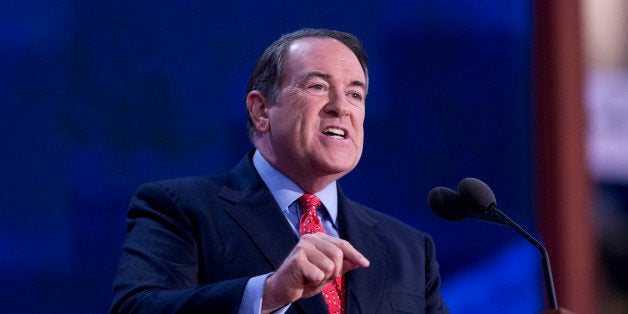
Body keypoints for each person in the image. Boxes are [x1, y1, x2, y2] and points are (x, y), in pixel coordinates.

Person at [110, 28, 449, 314]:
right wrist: (269, 293)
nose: (341, 106)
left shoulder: (409, 249)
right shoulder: (180, 208)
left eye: (355, 94)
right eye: (317, 86)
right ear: (261, 111)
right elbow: (136, 308)